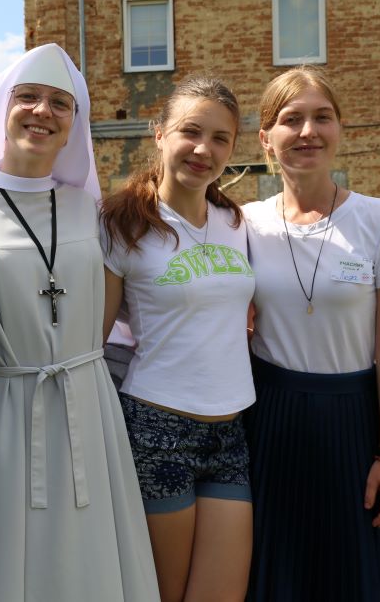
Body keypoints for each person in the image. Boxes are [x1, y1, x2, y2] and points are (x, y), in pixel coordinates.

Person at [0, 43, 160, 602]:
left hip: (90, 403)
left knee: (94, 561)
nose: (42, 112)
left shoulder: (92, 210)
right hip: (6, 412)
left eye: (60, 103)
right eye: (28, 97)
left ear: (74, 126)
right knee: (9, 563)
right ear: (2, 111)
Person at [242, 65, 380, 601]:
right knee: (274, 572)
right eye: (290, 120)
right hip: (266, 418)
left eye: (322, 117)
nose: (307, 132)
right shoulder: (240, 223)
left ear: (340, 130)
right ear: (266, 139)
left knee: (353, 573)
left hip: (353, 420)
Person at [99, 75, 255, 602]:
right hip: (156, 426)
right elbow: (91, 338)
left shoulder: (236, 221)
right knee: (163, 593)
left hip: (231, 429)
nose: (203, 149)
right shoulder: (123, 224)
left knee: (221, 593)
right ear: (159, 132)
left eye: (220, 139)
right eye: (191, 131)